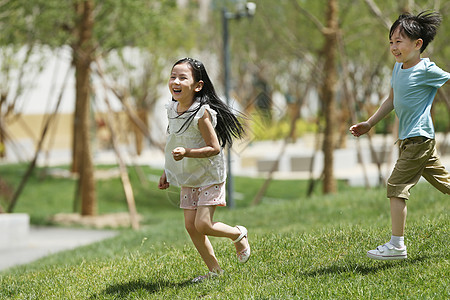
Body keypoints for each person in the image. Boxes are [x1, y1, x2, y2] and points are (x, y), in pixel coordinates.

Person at [350, 11, 450, 260]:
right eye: (391, 41)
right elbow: (392, 100)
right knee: (445, 183)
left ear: (418, 44)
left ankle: (397, 246)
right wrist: (370, 123)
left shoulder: (427, 70)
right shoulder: (397, 68)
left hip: (419, 138)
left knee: (396, 186)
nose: (394, 47)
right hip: (409, 140)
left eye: (399, 41)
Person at [158, 57, 250, 282]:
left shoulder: (202, 113)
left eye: (182, 77)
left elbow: (214, 148)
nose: (175, 81)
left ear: (198, 86)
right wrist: (167, 171)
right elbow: (172, 141)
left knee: (203, 224)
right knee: (191, 226)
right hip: (188, 175)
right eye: (173, 76)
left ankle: (238, 234)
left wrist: (187, 152)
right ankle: (215, 272)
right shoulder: (172, 109)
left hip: (209, 175)